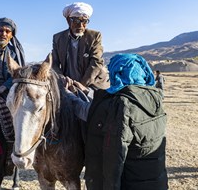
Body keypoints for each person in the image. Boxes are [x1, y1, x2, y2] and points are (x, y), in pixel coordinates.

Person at [67, 54, 168, 190]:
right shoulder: (154, 98)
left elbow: (92, 112)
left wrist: (66, 94)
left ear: (118, 73)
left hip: (128, 183)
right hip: (155, 182)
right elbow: (106, 105)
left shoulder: (121, 105)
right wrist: (84, 90)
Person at [52, 2, 108, 97]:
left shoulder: (94, 36)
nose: (81, 25)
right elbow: (54, 63)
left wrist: (81, 86)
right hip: (68, 85)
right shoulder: (58, 38)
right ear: (68, 20)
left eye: (84, 21)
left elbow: (96, 62)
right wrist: (63, 80)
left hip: (92, 85)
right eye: (76, 21)